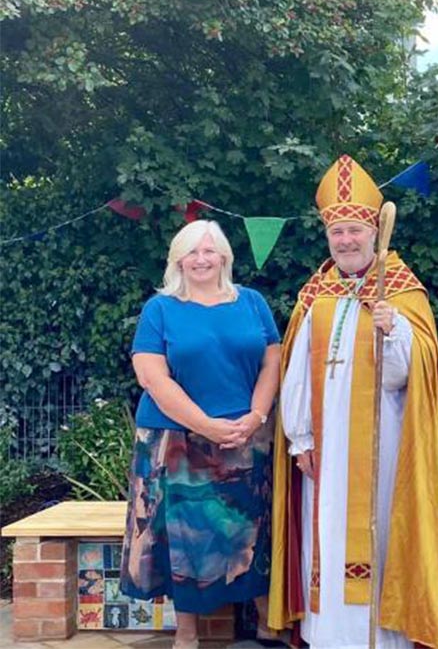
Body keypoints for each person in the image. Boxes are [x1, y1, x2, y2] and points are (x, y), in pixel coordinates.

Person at [267, 155, 438, 649]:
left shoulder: (402, 293)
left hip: (383, 451)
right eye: (336, 232)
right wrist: (299, 439)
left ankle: (382, 640)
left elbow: (414, 376)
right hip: (323, 453)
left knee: (380, 538)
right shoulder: (314, 295)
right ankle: (328, 637)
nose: (345, 241)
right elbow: (296, 372)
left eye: (354, 231)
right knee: (325, 538)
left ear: (371, 231)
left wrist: (395, 332)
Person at [119, 220, 281, 649]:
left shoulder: (252, 302)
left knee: (252, 530)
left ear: (225, 256)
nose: (202, 259)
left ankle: (268, 627)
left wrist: (257, 414)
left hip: (246, 436)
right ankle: (187, 635)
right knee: (183, 540)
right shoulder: (161, 309)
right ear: (178, 260)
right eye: (192, 252)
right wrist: (204, 425)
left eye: (210, 251)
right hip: (176, 441)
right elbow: (153, 377)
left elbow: (272, 361)